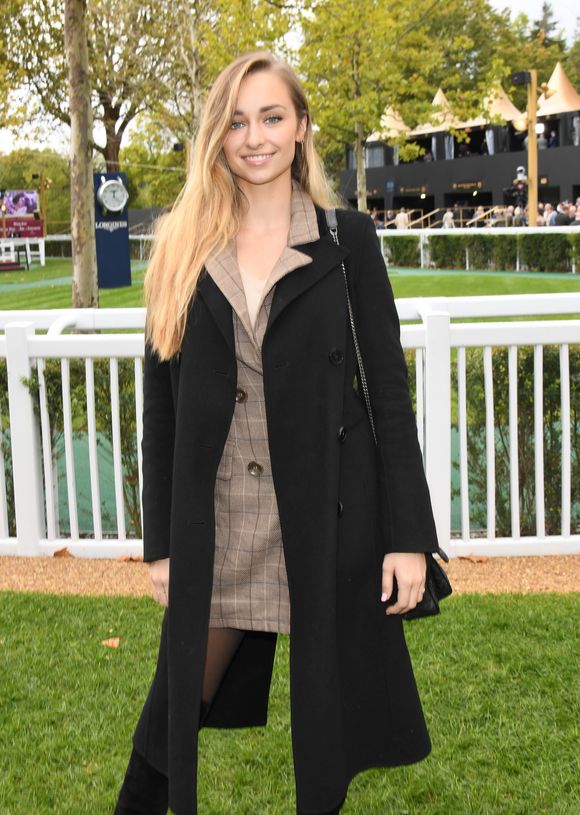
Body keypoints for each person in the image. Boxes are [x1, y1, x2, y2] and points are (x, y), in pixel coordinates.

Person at [114, 51, 441, 815]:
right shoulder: (183, 248)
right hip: (222, 521)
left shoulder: (346, 239)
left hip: (322, 511)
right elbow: (160, 404)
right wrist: (161, 541)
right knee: (172, 711)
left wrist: (407, 536)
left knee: (326, 724)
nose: (254, 137)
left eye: (271, 117)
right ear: (217, 138)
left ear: (301, 129)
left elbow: (387, 395)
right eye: (235, 121)